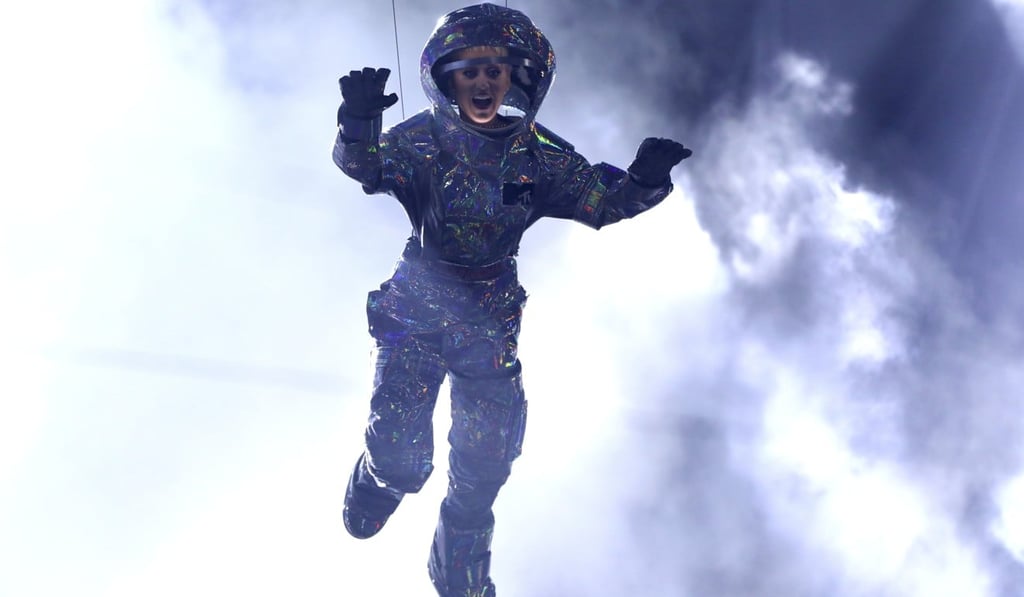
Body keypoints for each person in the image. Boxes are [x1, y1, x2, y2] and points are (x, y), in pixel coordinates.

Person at [332, 4, 691, 596]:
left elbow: (601, 201)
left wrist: (645, 181)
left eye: (494, 72)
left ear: (517, 79)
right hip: (419, 307)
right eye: (470, 72)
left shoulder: (540, 154)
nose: (483, 84)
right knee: (402, 455)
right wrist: (360, 119)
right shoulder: (423, 139)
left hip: (490, 317)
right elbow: (364, 166)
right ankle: (379, 480)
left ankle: (461, 575)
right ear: (447, 79)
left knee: (486, 462)